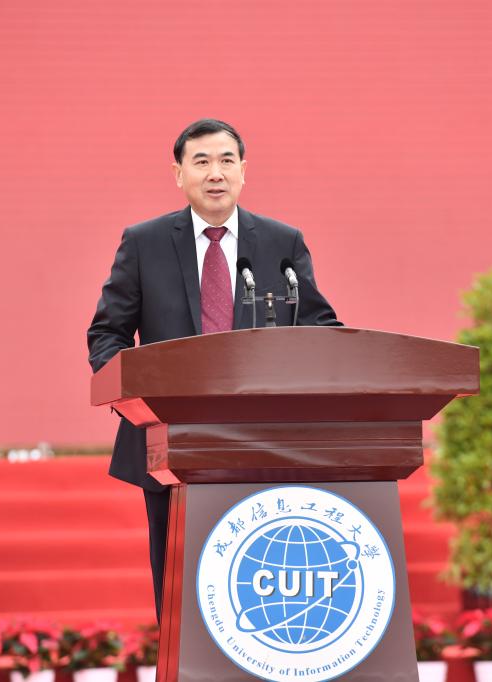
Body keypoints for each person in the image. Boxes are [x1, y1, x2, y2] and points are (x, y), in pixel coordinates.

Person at [86, 118, 341, 620]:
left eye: (226, 161)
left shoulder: (282, 243)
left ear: (244, 171)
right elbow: (107, 335)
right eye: (201, 162)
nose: (215, 173)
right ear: (178, 174)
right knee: (180, 602)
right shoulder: (144, 243)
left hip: (266, 446)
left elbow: (320, 327)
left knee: (260, 591)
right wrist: (139, 404)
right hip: (169, 446)